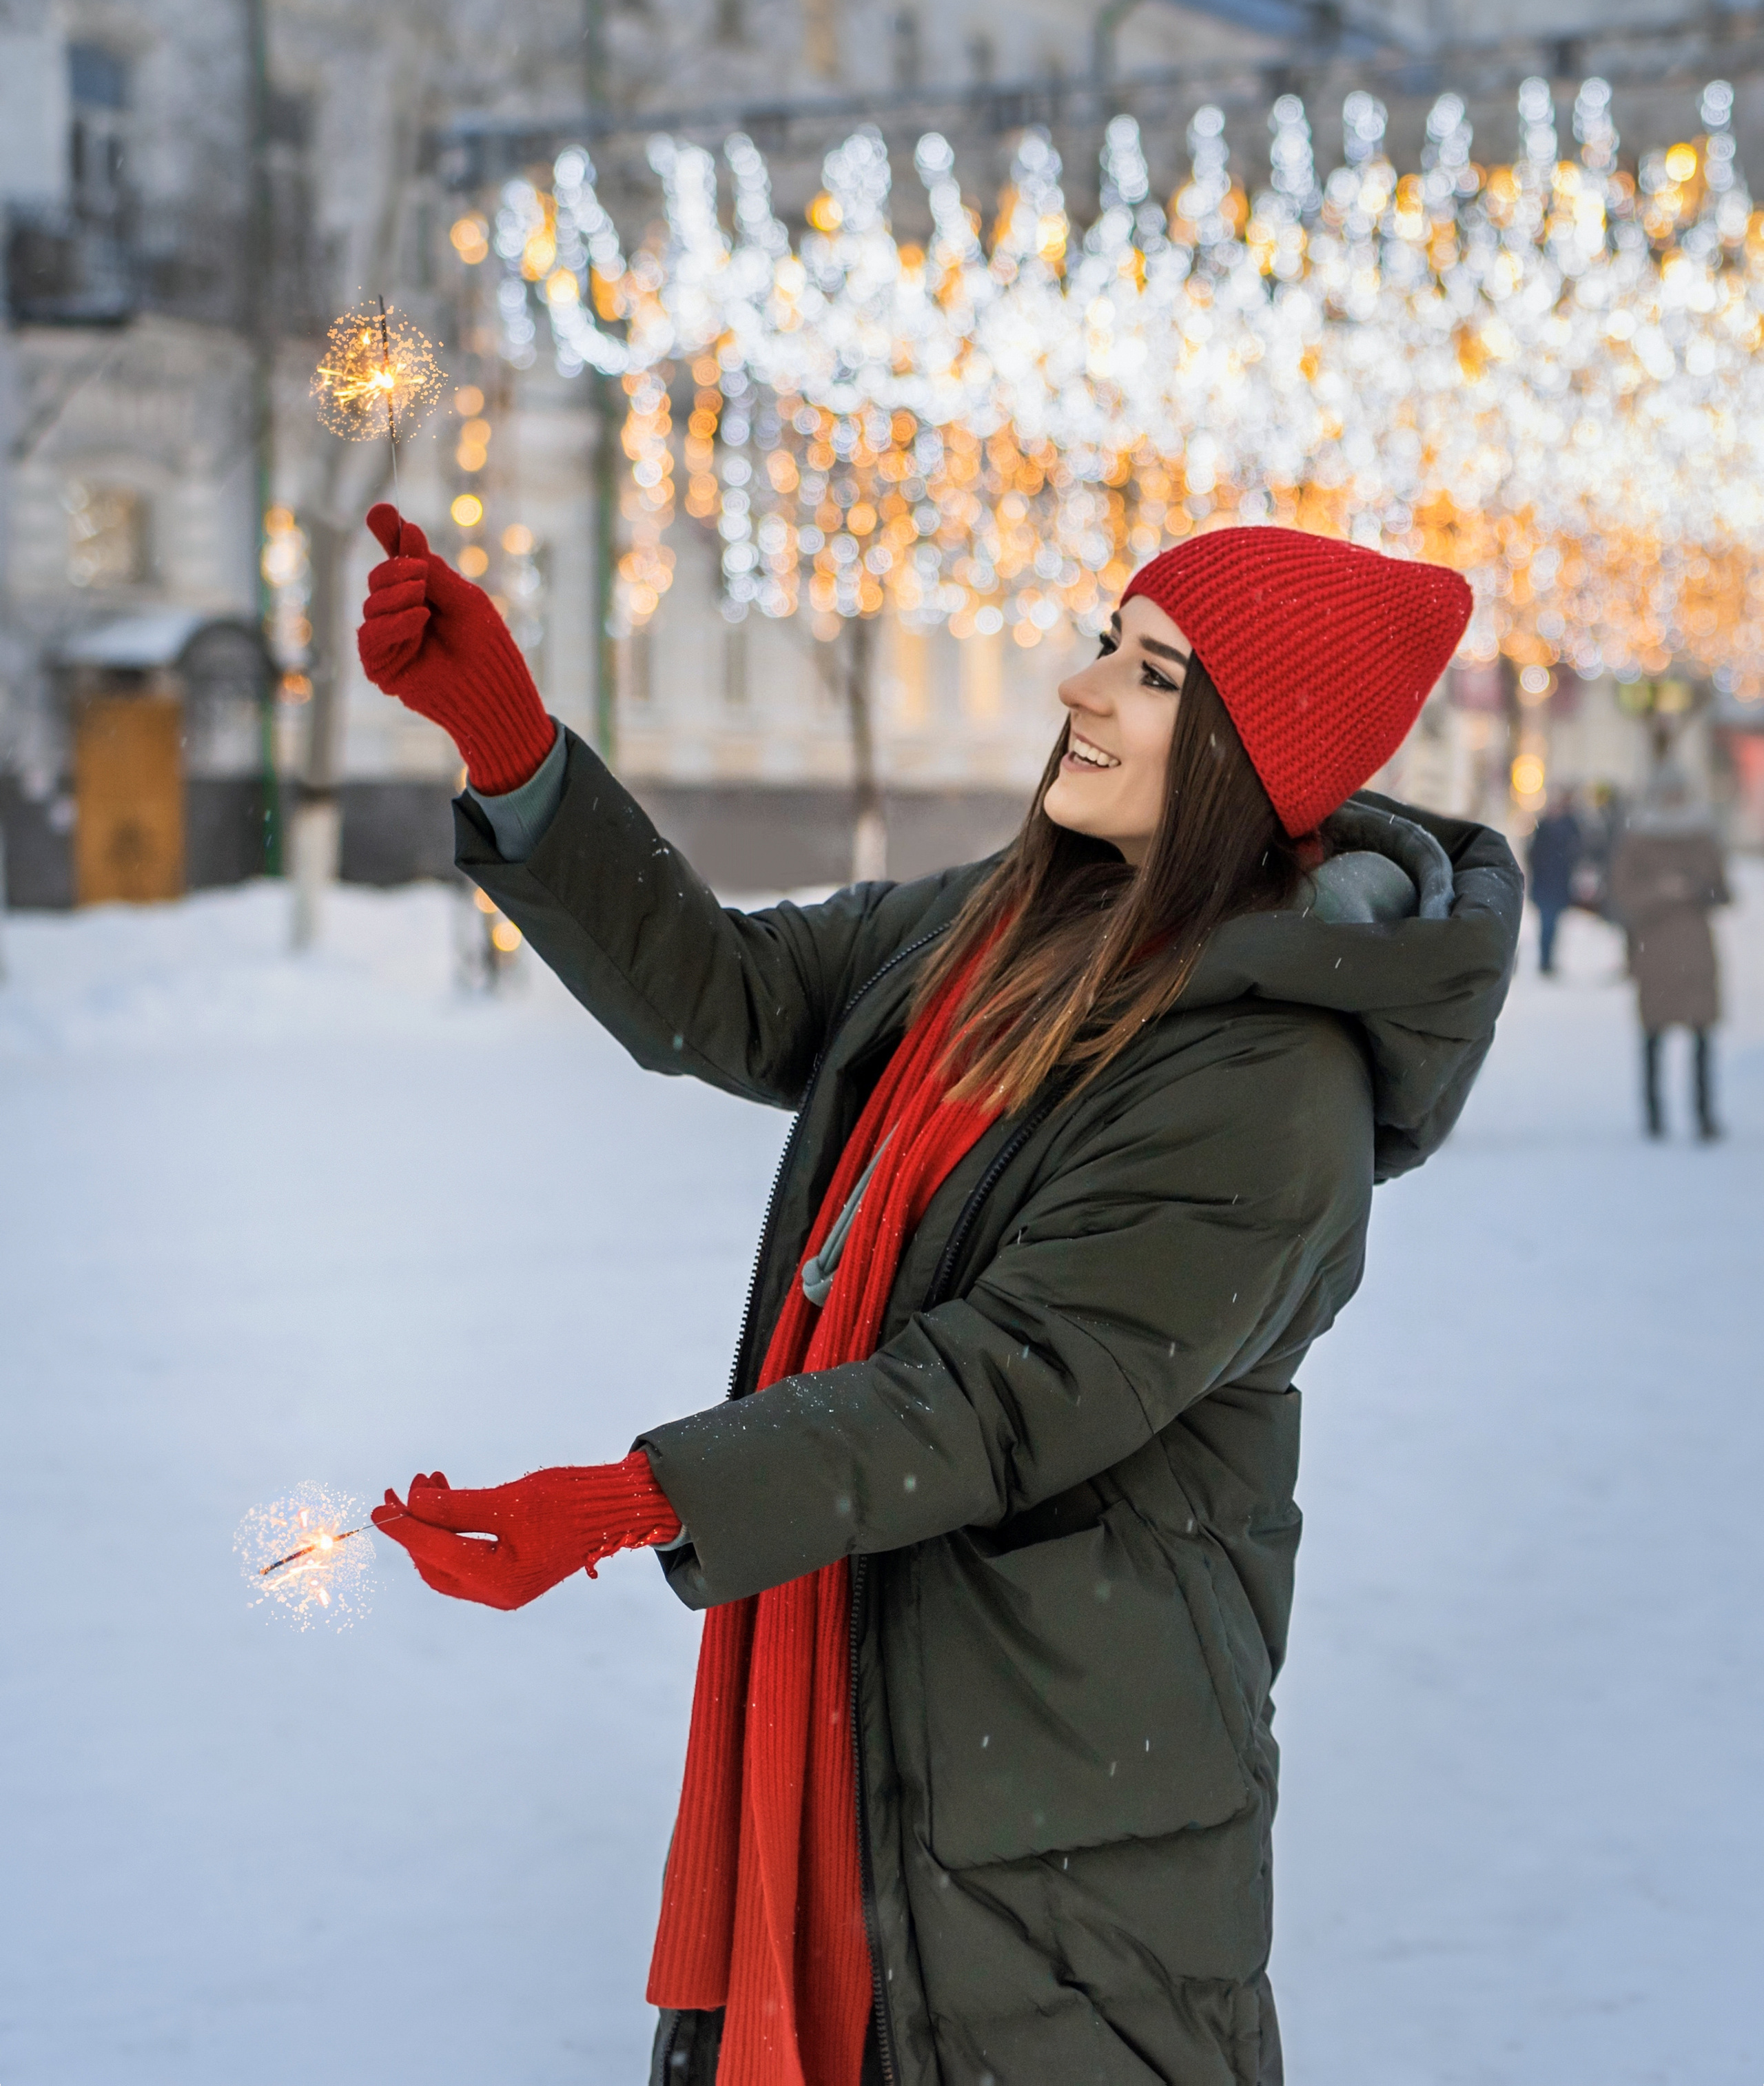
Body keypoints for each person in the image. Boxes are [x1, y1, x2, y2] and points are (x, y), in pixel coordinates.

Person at [356, 509, 1521, 2086]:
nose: (1078, 688)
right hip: (869, 1694)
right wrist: (509, 745)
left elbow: (999, 1385)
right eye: (1104, 641)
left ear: (1254, 753)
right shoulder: (1005, 932)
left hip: (1054, 1796)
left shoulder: (1269, 1082)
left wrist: (636, 1499)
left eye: (1148, 673)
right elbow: (730, 993)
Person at [1609, 766, 1730, 1141]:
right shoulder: (1639, 840)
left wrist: (1694, 889)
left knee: (1702, 1037)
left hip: (1695, 951)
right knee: (1653, 1036)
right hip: (1655, 949)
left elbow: (1723, 892)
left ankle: (1704, 1114)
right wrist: (1661, 892)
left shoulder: (1702, 838)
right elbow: (1621, 895)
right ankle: (1654, 1116)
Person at [1525, 786, 1582, 975]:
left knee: (1551, 925)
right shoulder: (1552, 827)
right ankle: (1545, 961)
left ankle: (1547, 961)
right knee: (1548, 924)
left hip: (1554, 884)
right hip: (1548, 884)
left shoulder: (1565, 826)